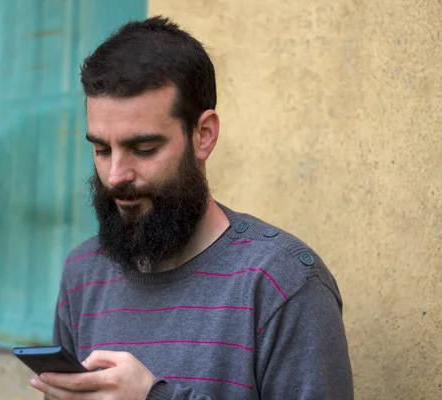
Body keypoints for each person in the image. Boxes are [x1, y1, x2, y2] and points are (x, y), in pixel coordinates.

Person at [30, 15, 354, 400]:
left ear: (203, 136)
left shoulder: (282, 285)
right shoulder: (83, 274)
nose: (115, 175)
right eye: (101, 149)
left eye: (144, 149)